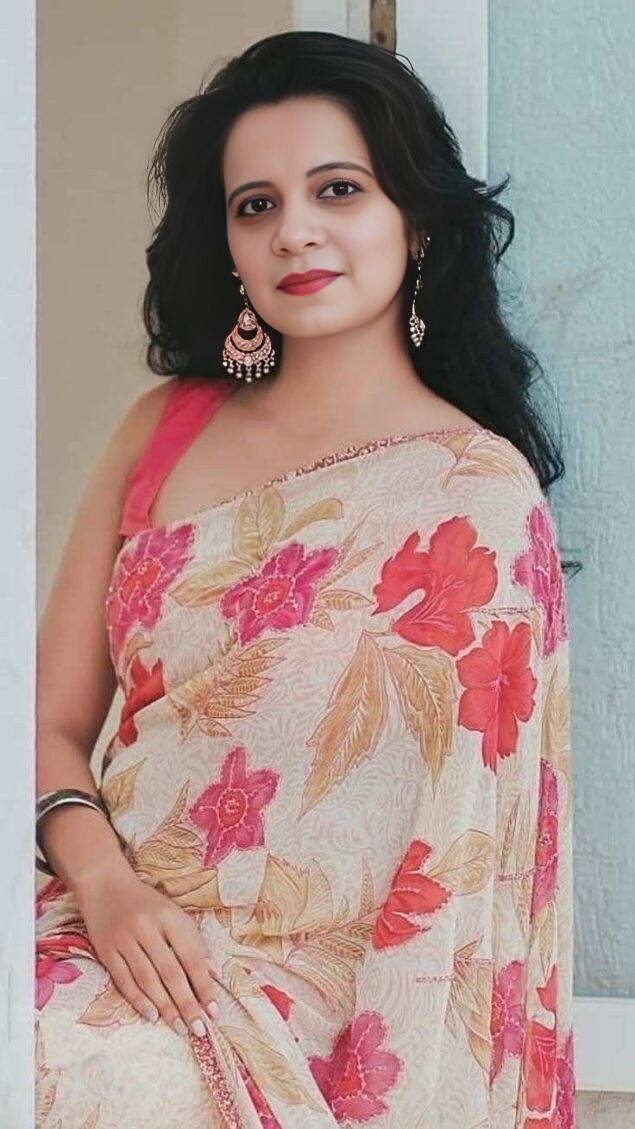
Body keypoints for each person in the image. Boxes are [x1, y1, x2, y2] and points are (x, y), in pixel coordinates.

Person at [34, 29, 578, 1129]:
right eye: (255, 205)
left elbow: (479, 862)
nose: (294, 230)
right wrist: (104, 882)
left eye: (337, 189)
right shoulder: (164, 429)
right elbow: (41, 724)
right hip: (96, 930)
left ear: (414, 221)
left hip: (316, 1018)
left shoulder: (475, 495)